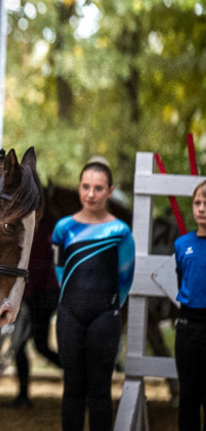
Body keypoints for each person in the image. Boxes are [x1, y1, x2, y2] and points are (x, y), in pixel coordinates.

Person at [52, 158, 135, 431]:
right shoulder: (63, 228)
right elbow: (60, 270)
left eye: (98, 188)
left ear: (110, 191)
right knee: (72, 389)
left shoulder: (120, 231)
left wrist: (110, 308)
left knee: (100, 390)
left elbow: (125, 277)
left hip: (105, 317)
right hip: (70, 315)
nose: (91, 194)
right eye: (86, 187)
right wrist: (72, 300)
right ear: (79, 187)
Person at [6, 212, 61, 408]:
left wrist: (22, 297)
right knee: (38, 345)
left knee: (23, 345)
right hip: (42, 293)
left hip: (37, 295)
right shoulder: (44, 227)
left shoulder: (37, 229)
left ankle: (23, 396)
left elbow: (36, 266)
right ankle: (81, 382)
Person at [174, 178, 206, 431]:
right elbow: (181, 279)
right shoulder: (182, 244)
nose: (201, 208)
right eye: (197, 203)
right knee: (188, 396)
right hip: (187, 327)